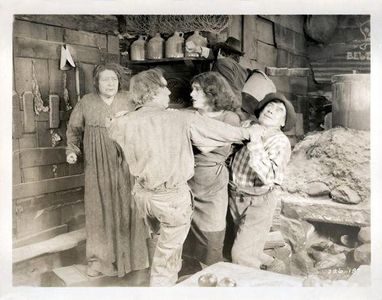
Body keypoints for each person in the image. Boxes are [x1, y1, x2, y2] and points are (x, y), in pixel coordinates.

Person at [106, 68, 259, 286]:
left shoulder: (120, 122)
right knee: (167, 261)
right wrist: (251, 132)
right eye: (164, 86)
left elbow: (118, 133)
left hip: (142, 197)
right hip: (171, 198)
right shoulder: (180, 119)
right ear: (153, 91)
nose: (169, 91)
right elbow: (227, 133)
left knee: (158, 244)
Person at [66, 63, 150, 278]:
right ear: (97, 82)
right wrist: (72, 151)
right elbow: (74, 131)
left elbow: (145, 127)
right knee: (98, 209)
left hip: (126, 165)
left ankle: (133, 260)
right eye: (105, 79)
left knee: (129, 208)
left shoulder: (129, 100)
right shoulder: (86, 102)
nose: (110, 83)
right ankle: (99, 261)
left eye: (113, 79)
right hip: (97, 165)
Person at [228, 92, 296, 273]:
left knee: (242, 255)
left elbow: (268, 176)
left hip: (259, 201)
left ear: (283, 122)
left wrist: (256, 140)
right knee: (244, 244)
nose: (271, 111)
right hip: (235, 195)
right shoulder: (248, 126)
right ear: (261, 111)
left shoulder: (280, 142)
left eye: (279, 111)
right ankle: (274, 264)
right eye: (269, 107)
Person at [183, 72, 241, 266]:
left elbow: (208, 146)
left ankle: (212, 276)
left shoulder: (229, 118)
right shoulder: (190, 114)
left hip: (212, 181)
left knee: (212, 232)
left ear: (212, 92)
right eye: (193, 89)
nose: (192, 94)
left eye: (197, 90)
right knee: (185, 232)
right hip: (187, 179)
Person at [186, 36, 249, 117]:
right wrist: (197, 49)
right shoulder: (240, 68)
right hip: (239, 106)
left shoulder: (222, 63)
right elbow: (211, 54)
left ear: (222, 51)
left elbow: (226, 89)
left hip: (228, 107)